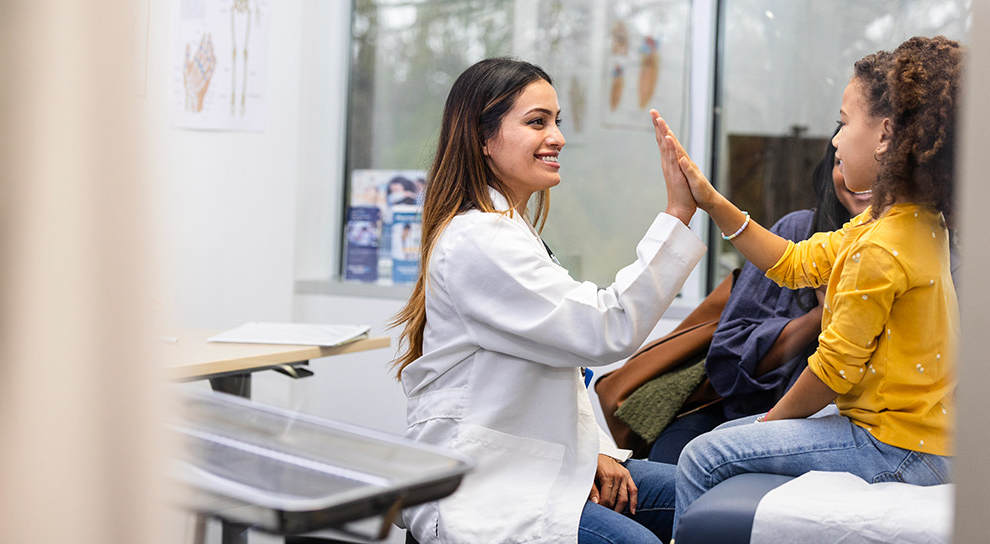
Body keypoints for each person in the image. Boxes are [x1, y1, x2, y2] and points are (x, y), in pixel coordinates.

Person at [653, 35, 963, 533]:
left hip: (899, 448)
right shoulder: (913, 222)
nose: (836, 140)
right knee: (727, 437)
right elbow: (795, 263)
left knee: (703, 457)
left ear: (885, 135)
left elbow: (833, 371)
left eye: (843, 123)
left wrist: (770, 423)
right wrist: (711, 202)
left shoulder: (880, 247)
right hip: (918, 439)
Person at [391, 57, 705, 543]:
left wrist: (596, 450)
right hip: (487, 485)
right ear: (482, 137)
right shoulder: (480, 240)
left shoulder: (509, 231)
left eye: (557, 121)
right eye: (537, 122)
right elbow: (605, 329)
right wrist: (678, 213)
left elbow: (559, 368)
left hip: (541, 466)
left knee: (706, 497)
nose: (557, 136)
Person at [647, 122, 874, 464]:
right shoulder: (799, 233)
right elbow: (726, 359)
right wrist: (819, 314)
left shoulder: (906, 250)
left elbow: (839, 372)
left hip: (827, 426)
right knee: (673, 467)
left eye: (874, 165)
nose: (859, 178)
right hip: (740, 407)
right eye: (840, 162)